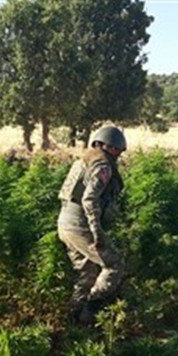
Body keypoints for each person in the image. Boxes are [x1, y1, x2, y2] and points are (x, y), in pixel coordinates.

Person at [57, 125, 127, 325]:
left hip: (66, 222)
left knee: (87, 271)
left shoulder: (84, 160)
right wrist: (97, 232)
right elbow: (89, 199)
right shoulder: (103, 166)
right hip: (80, 223)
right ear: (111, 147)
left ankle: (73, 318)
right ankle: (91, 309)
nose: (119, 155)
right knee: (114, 265)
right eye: (118, 150)